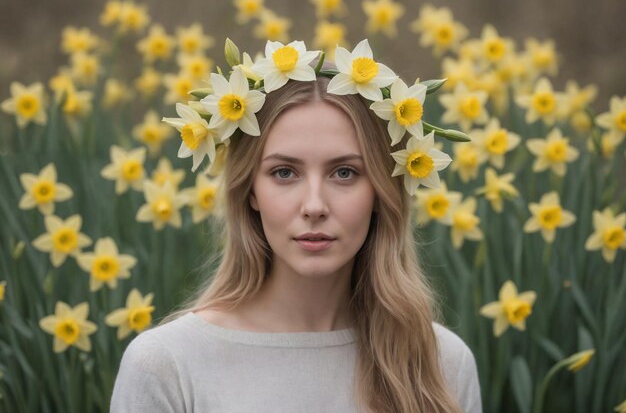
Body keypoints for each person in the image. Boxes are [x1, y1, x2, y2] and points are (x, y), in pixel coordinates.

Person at [110, 42, 482, 413]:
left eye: (344, 172)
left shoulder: (441, 365)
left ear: (382, 192)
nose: (315, 206)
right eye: (284, 173)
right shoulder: (167, 365)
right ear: (250, 191)